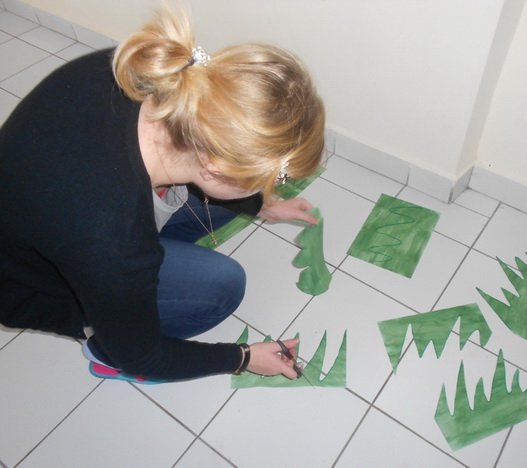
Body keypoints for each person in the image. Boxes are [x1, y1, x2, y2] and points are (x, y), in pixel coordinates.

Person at [0, 5, 325, 383]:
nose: (270, 188)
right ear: (216, 166)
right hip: (34, 283)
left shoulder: (135, 71)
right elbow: (146, 358)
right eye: (268, 180)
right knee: (223, 286)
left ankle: (150, 271)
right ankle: (104, 351)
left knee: (228, 206)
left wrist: (260, 204)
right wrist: (243, 357)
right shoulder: (112, 239)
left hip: (54, 215)